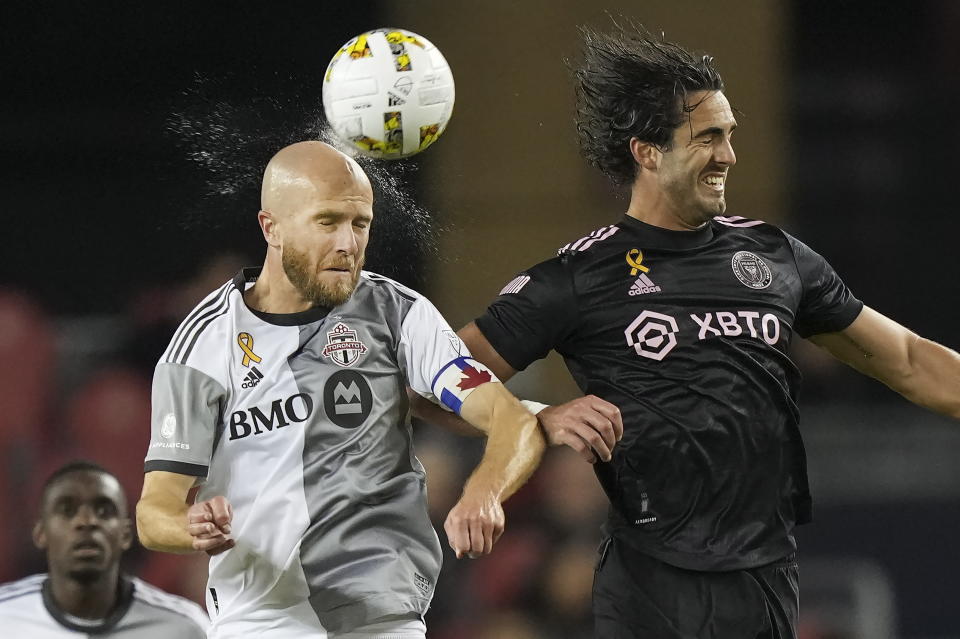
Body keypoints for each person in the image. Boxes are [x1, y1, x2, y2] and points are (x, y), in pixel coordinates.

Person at [441, 25, 960, 639]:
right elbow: (435, 383)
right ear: (647, 152)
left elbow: (906, 358)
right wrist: (537, 416)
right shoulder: (578, 277)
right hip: (651, 581)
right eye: (708, 137)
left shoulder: (776, 257)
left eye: (730, 135)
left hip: (766, 575)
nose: (729, 155)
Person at [135, 140, 545, 639]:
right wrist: (190, 527)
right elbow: (154, 511)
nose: (348, 244)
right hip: (262, 621)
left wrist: (484, 492)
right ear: (272, 228)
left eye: (360, 224)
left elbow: (510, 419)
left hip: (383, 619)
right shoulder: (203, 346)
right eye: (327, 222)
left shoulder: (398, 315)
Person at [0, 461, 207, 637]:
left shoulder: (185, 628)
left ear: (125, 534)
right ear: (40, 533)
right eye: (67, 510)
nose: (87, 521)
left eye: (103, 510)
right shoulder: (5, 617)